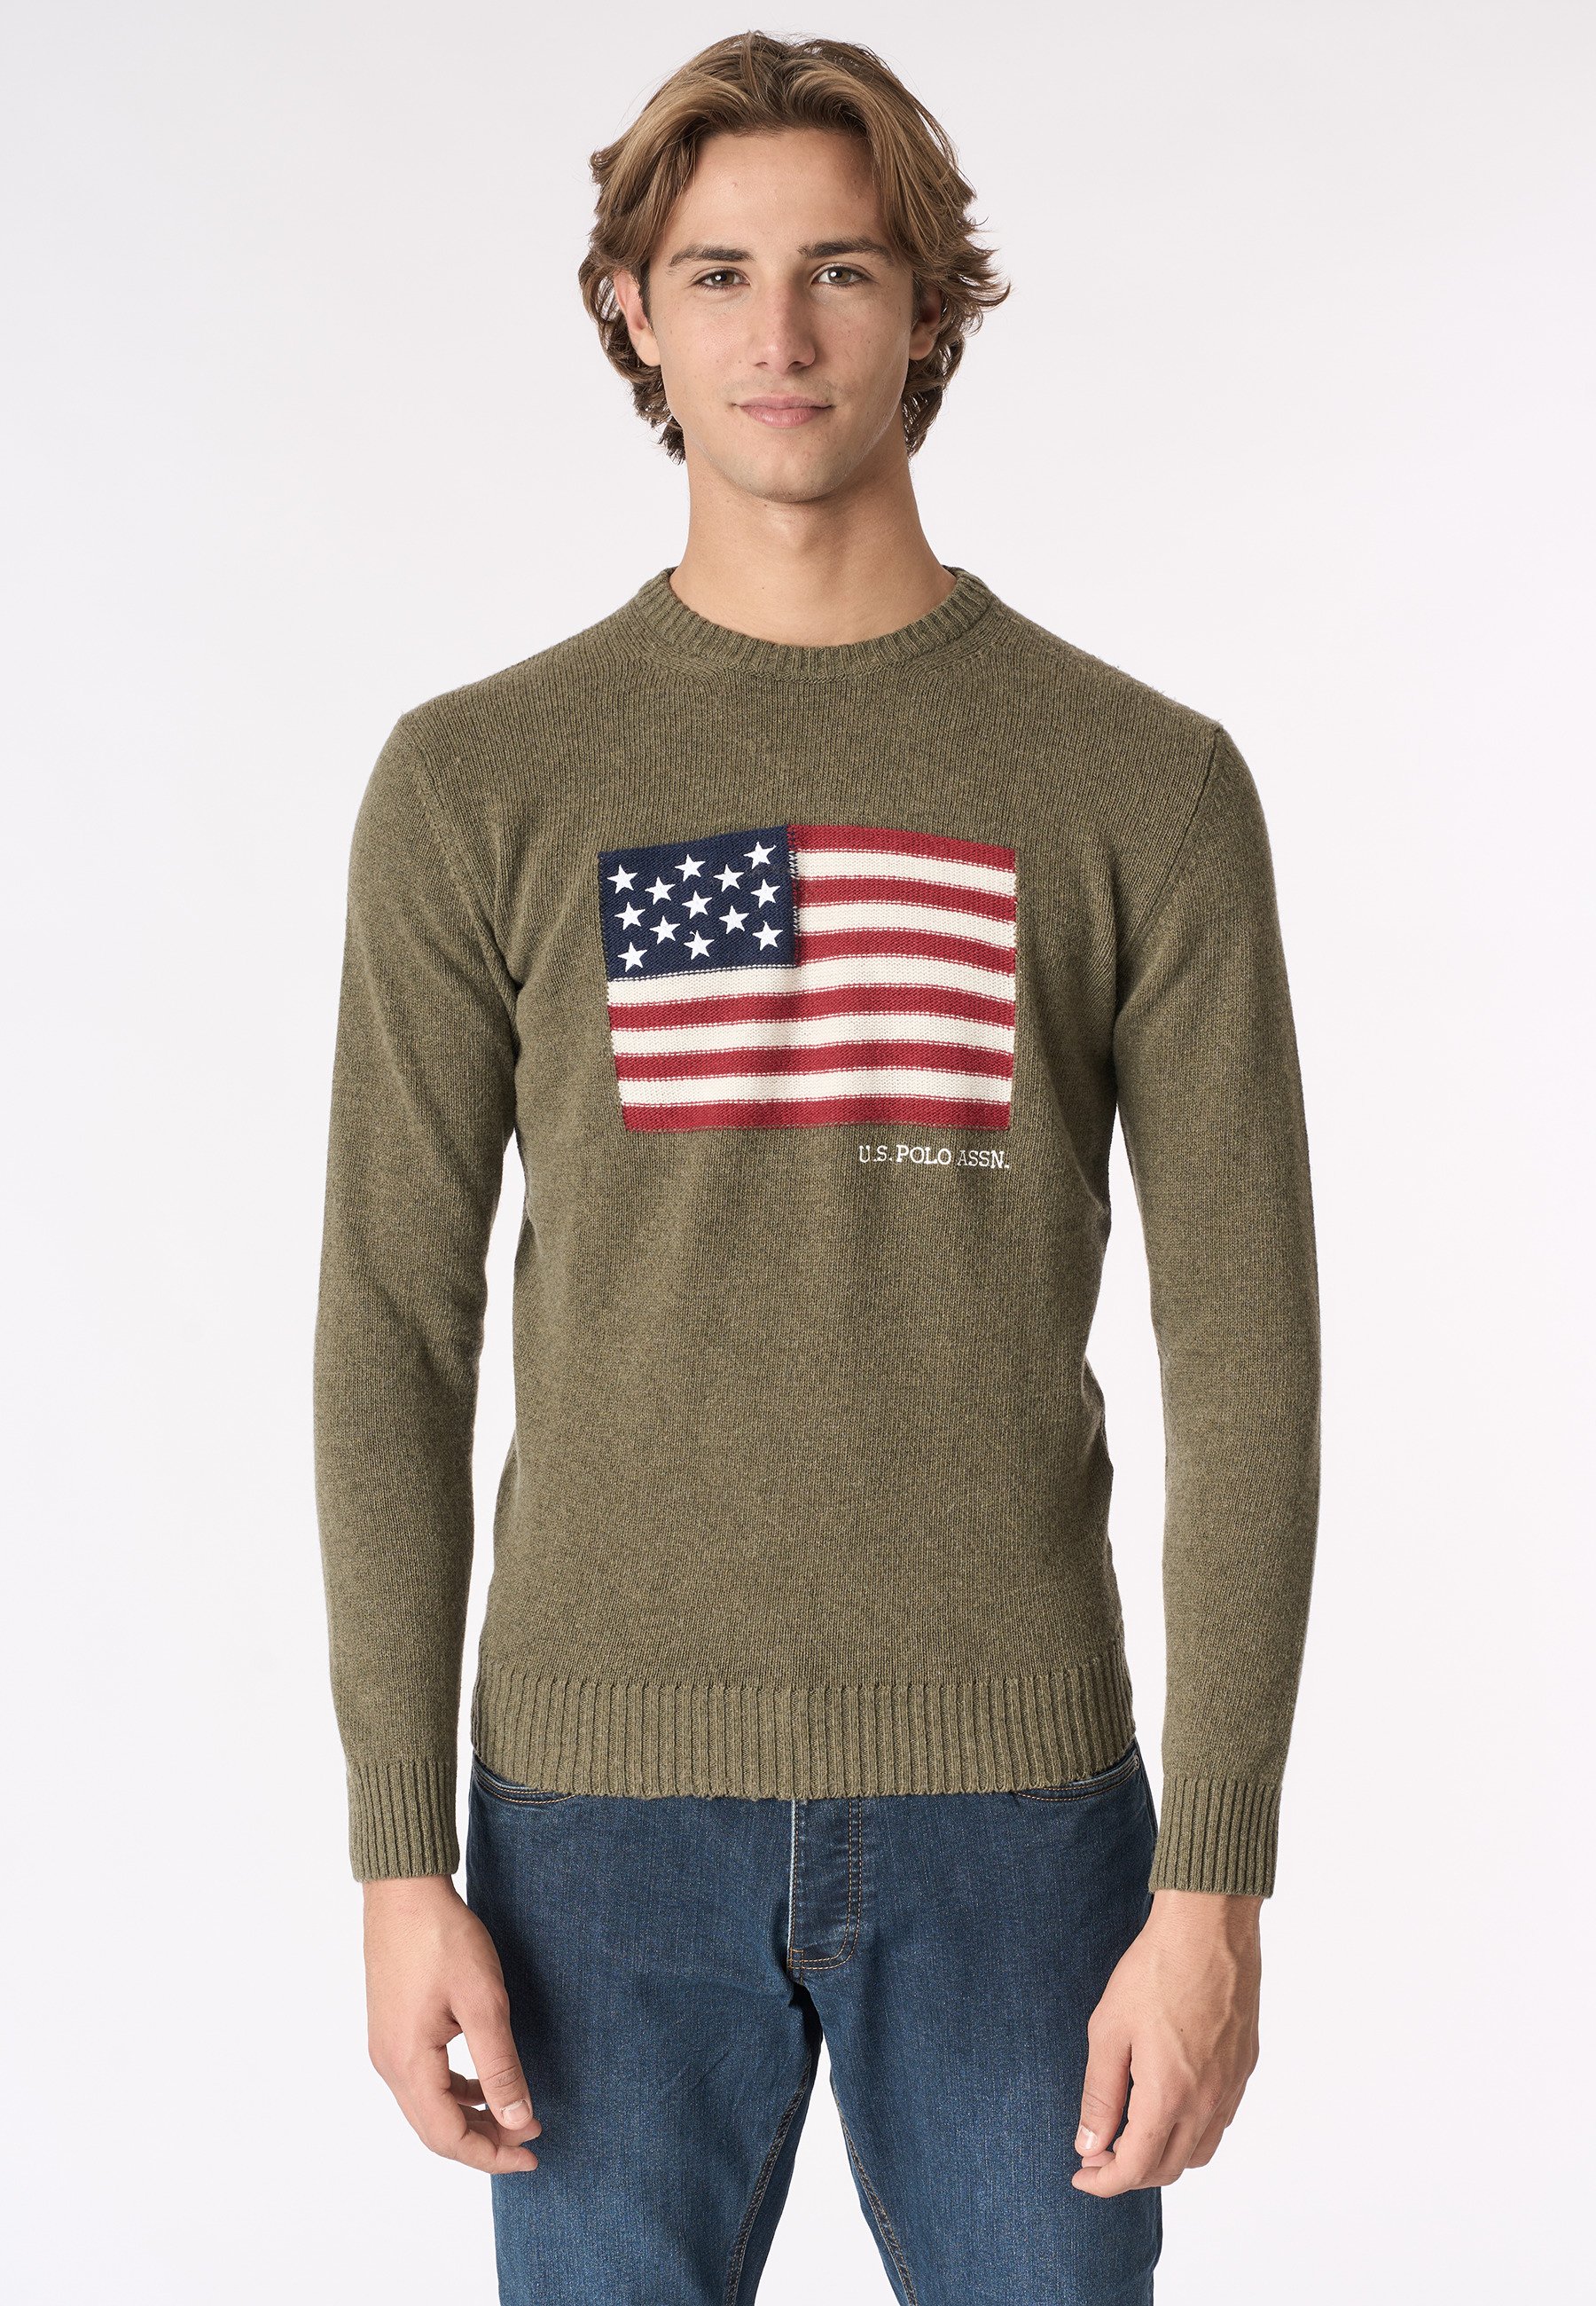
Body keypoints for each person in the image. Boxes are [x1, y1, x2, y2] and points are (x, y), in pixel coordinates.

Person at [312, 29, 1321, 2305]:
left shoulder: (1142, 783)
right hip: (587, 1829)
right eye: (719, 272)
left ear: (930, 306)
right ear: (633, 311)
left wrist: (1218, 1882)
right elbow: (390, 1327)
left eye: (843, 269)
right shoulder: (478, 780)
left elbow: (1248, 1346)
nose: (780, 332)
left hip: (1025, 1818)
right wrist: (397, 1853)